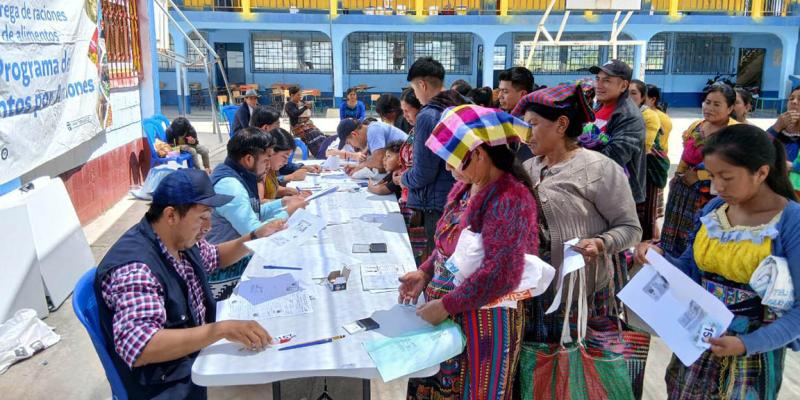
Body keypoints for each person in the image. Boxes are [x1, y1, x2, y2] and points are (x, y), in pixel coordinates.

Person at [635, 124, 800, 400]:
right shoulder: (715, 210)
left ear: (761, 172)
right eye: (712, 176)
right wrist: (659, 258)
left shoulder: (790, 221)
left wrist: (747, 344)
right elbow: (690, 269)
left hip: (750, 352)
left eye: (727, 177)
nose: (717, 187)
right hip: (698, 339)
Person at [96, 169, 285, 399]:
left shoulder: (179, 239)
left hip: (193, 361)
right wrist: (222, 329)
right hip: (167, 385)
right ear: (171, 215)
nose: (208, 227)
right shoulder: (137, 268)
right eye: (202, 217)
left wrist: (255, 236)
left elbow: (215, 257)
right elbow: (142, 346)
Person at [399, 105, 537, 399]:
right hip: (451, 314)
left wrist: (447, 306)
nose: (447, 168)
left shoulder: (510, 197)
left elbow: (502, 273)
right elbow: (449, 245)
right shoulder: (465, 187)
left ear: (478, 154)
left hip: (484, 325)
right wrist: (425, 272)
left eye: (450, 160)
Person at [516, 84, 641, 343]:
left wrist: (601, 242)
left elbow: (630, 228)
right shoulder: (528, 167)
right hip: (536, 293)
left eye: (533, 124)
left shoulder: (600, 169)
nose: (525, 133)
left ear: (561, 124)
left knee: (577, 373)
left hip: (582, 295)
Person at [206, 127, 308, 299]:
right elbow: (255, 234)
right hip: (226, 272)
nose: (268, 167)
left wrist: (283, 202)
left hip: (237, 258)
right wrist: (287, 212)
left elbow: (255, 211)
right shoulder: (230, 186)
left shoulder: (238, 175)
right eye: (266, 160)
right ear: (248, 159)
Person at [656, 83, 738, 258]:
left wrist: (699, 176)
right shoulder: (696, 126)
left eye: (717, 104)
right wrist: (678, 177)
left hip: (711, 196)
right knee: (674, 236)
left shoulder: (735, 133)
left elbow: (735, 168)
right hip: (683, 192)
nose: (709, 108)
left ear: (730, 108)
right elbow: (686, 157)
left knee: (699, 238)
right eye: (707, 102)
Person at [401, 57, 468, 256]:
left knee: (436, 258)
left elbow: (423, 173)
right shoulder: (460, 105)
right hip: (458, 195)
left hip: (436, 203)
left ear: (422, 85)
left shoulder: (428, 116)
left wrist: (403, 178)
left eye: (414, 89)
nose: (416, 94)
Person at [587, 59, 647, 206]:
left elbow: (614, 157)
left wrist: (572, 155)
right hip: (595, 187)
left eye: (606, 81)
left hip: (617, 197)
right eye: (597, 79)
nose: (598, 85)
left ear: (623, 86)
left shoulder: (629, 116)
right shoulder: (598, 106)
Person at [395, 87, 429, 265]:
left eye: (408, 111)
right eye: (403, 111)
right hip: (408, 194)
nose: (405, 115)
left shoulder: (423, 133)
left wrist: (403, 178)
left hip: (418, 199)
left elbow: (422, 170)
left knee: (417, 253)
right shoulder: (414, 131)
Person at [629, 79, 664, 240]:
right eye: (626, 93)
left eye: (633, 93)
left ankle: (647, 249)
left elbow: (644, 146)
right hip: (631, 168)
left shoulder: (649, 115)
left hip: (646, 170)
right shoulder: (622, 112)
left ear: (643, 97)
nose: (629, 97)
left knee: (647, 213)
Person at [249, 105, 321, 183]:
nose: (280, 128)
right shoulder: (254, 152)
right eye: (277, 124)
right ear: (266, 128)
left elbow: (282, 166)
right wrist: (290, 177)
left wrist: (303, 167)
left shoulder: (266, 145)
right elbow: (262, 184)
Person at [337, 118, 407, 175]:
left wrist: (359, 167)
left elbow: (379, 163)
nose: (351, 146)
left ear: (354, 134)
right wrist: (357, 167)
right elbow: (377, 164)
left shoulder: (373, 130)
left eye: (349, 142)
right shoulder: (371, 132)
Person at [262, 128, 313, 200]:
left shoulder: (271, 169)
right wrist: (285, 202)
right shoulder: (260, 172)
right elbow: (259, 204)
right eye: (284, 157)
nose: (286, 162)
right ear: (271, 151)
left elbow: (273, 189)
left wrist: (295, 192)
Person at [499, 66, 536, 162]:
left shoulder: (529, 125)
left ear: (523, 94)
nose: (499, 96)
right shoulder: (505, 116)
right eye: (500, 90)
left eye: (505, 92)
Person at [285, 86, 326, 157]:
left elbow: (305, 111)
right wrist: (305, 107)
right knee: (313, 133)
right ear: (292, 95)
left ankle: (323, 150)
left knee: (318, 133)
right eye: (298, 95)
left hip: (305, 125)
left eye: (300, 95)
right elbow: (295, 114)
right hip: (297, 127)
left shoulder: (299, 103)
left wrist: (308, 107)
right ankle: (318, 153)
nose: (300, 97)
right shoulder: (289, 105)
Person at [767, 85, 800, 173]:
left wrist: (793, 166)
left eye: (799, 99)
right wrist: (776, 126)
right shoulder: (778, 129)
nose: (794, 102)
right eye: (791, 98)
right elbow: (758, 148)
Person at [646, 84, 672, 154]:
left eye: (643, 98)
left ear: (653, 99)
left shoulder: (662, 118)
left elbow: (659, 144)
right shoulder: (642, 113)